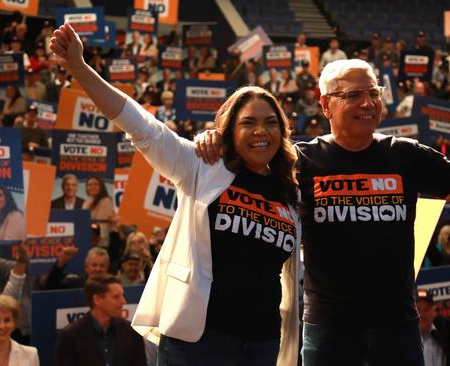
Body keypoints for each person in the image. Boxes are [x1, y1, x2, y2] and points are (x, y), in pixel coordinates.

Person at [195, 58, 450, 365]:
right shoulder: (299, 161)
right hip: (328, 331)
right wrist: (215, 139)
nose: (368, 102)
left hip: (398, 331)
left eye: (374, 92)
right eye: (353, 95)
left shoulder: (405, 154)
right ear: (325, 105)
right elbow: (247, 154)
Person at [50, 23, 301, 365]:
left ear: (283, 131)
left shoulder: (290, 191)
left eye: (271, 122)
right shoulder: (203, 166)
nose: (261, 131)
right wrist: (79, 67)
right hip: (198, 340)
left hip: (263, 341)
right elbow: (141, 125)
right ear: (229, 129)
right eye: (248, 122)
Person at [54, 273, 146, 366]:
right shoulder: (69, 336)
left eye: (122, 295)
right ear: (97, 300)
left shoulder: (131, 332)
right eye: (116, 297)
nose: (123, 301)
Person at [43, 246, 110, 290]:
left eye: (102, 266)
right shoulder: (75, 283)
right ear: (86, 267)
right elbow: (49, 287)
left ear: (107, 268)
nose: (98, 269)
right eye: (94, 265)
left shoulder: (113, 287)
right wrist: (62, 261)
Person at [82, 176, 115, 247]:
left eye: (95, 184)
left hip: (100, 241)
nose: (92, 187)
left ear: (101, 186)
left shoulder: (106, 200)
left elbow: (101, 223)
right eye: (89, 185)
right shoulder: (86, 201)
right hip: (88, 238)